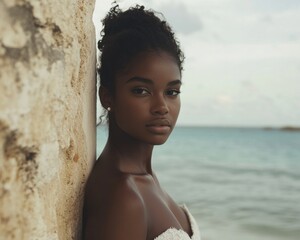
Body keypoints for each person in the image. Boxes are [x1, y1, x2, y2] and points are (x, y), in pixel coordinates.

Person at [82, 4, 200, 240]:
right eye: (141, 90)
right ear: (107, 96)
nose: (162, 107)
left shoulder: (144, 178)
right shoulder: (123, 194)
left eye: (172, 92)